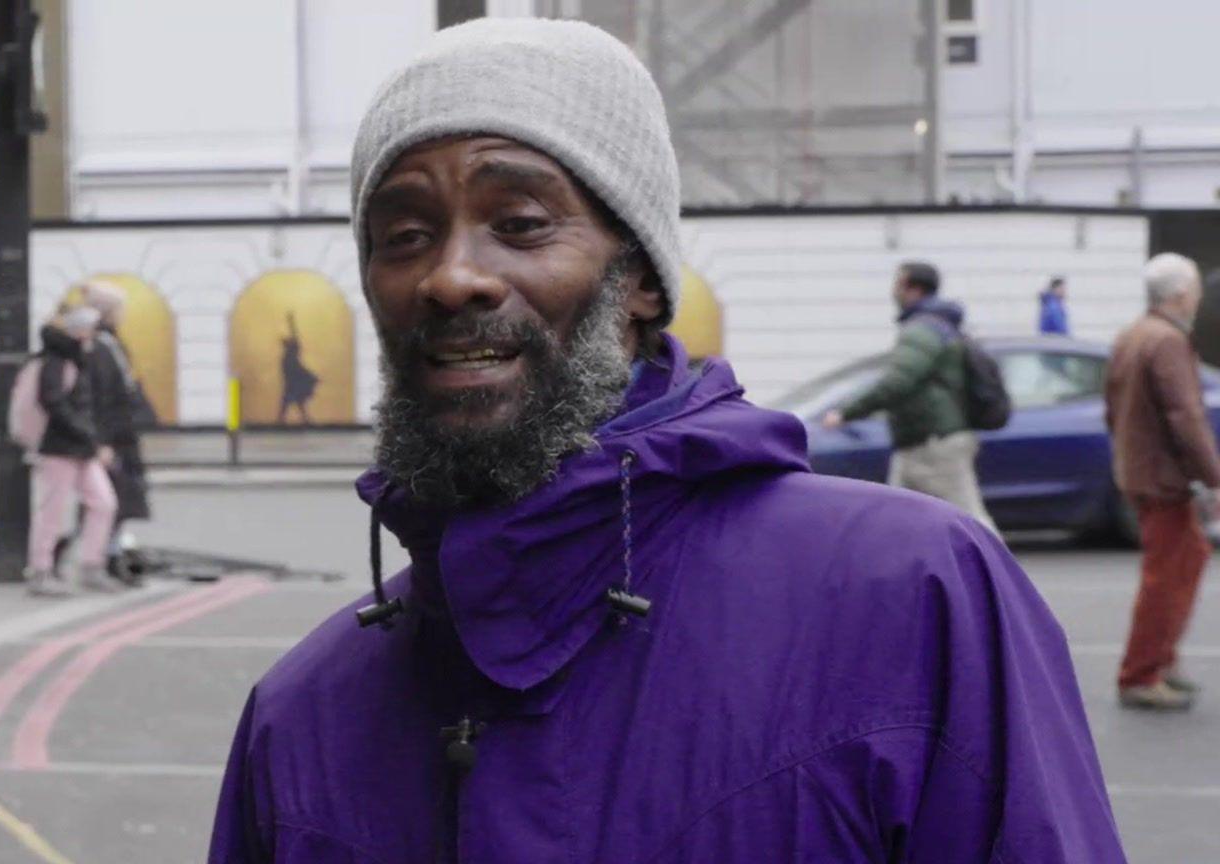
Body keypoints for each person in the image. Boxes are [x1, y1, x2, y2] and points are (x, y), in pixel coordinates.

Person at [209, 18, 1123, 862]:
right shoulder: (299, 717)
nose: (451, 277)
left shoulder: (913, 596)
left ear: (642, 278)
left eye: (521, 223)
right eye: (404, 235)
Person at [1106, 253, 1219, 711]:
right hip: (1165, 479)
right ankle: (1142, 673)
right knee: (1167, 578)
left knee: (1184, 562)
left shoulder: (1132, 334)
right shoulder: (1169, 341)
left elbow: (1112, 407)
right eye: (1194, 292)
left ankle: (1161, 660)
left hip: (1140, 471)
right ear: (1179, 295)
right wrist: (1213, 475)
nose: (1197, 300)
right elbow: (1185, 416)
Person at [822, 262, 998, 533]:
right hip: (920, 442)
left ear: (913, 289)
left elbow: (898, 381)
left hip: (933, 444)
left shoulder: (922, 330)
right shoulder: (938, 325)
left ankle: (999, 574)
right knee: (896, 522)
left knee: (971, 523)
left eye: (898, 284)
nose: (893, 291)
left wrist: (846, 412)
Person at [24, 305, 123, 597]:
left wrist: (92, 441)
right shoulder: (55, 361)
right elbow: (54, 404)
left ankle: (92, 565)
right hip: (59, 447)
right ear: (77, 330)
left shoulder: (78, 359)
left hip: (81, 447)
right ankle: (40, 571)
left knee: (104, 503)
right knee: (52, 511)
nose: (94, 332)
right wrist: (90, 440)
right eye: (90, 327)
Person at [76, 279, 151, 585]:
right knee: (109, 502)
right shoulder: (99, 348)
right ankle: (102, 560)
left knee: (113, 503)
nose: (123, 314)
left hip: (120, 436)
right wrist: (103, 442)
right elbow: (100, 397)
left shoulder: (107, 344)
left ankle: (107, 556)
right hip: (113, 439)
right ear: (106, 312)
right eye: (119, 308)